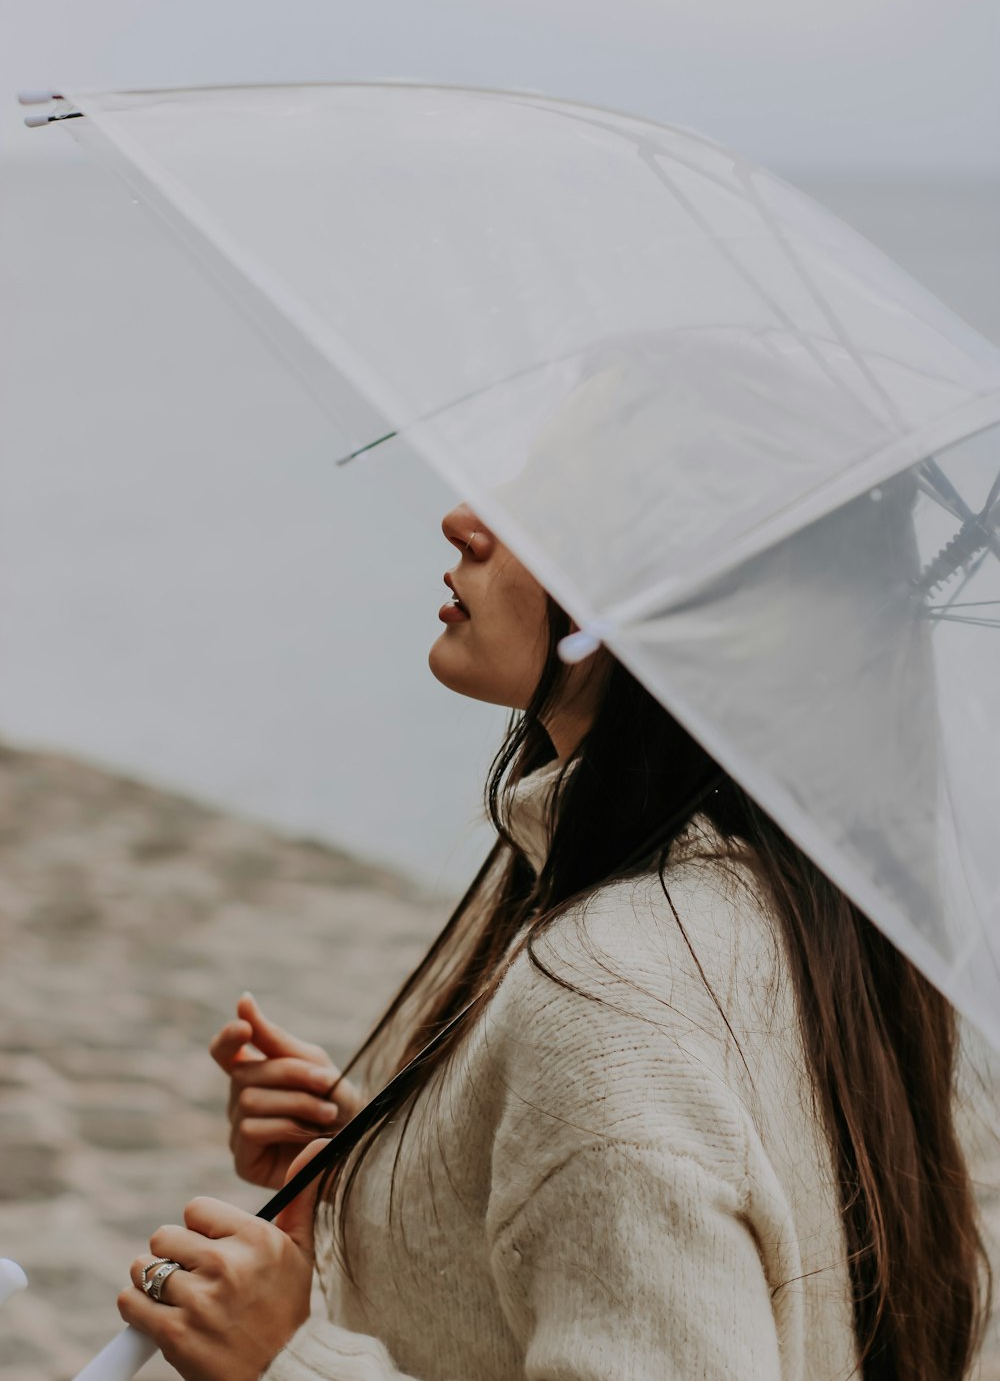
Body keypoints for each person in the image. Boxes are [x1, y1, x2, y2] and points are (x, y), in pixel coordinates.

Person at [119, 500, 991, 1381]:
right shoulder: (798, 908)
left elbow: (622, 1111)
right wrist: (401, 1157)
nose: (464, 520)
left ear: (682, 601)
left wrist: (289, 1360)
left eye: (555, 506)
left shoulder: (606, 996)